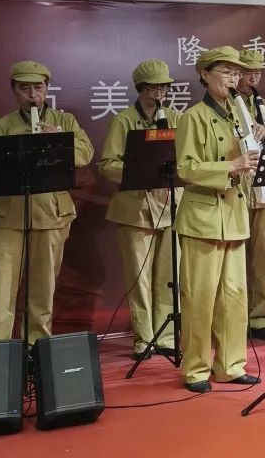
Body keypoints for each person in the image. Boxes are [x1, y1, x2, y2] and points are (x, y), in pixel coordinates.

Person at [0, 61, 94, 345]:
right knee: (0, 285)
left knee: (44, 285)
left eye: (38, 87)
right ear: (14, 91)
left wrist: (58, 142)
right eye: (24, 88)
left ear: (47, 88)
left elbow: (85, 154)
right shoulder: (1, 126)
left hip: (51, 213)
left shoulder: (65, 121)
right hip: (7, 216)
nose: (32, 95)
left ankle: (36, 344)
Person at [175, 46, 261, 393]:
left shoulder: (240, 113)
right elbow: (186, 168)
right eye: (226, 72)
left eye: (237, 73)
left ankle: (231, 366)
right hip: (203, 217)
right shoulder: (192, 117)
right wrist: (231, 165)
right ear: (205, 75)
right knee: (200, 298)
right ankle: (196, 369)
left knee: (235, 296)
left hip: (234, 214)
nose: (233, 78)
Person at [97, 59, 182, 359]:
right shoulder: (123, 120)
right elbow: (107, 164)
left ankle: (167, 336)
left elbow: (189, 157)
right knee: (139, 276)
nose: (160, 93)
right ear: (140, 89)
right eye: (153, 88)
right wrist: (136, 171)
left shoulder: (176, 117)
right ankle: (144, 338)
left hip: (171, 206)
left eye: (164, 88)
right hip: (135, 209)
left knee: (169, 276)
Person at [236, 48, 265, 341]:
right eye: (248, 72)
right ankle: (235, 318)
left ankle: (259, 317)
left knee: (263, 256)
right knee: (236, 257)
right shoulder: (226, 106)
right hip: (237, 189)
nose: (253, 78)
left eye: (258, 72)